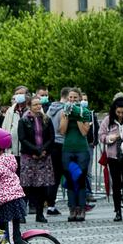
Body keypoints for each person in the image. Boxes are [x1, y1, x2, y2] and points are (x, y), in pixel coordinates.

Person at [17, 96, 55, 223]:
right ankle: (21, 213)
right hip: (29, 157)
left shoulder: (46, 119)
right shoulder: (24, 120)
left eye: (39, 104)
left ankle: (40, 213)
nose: (38, 106)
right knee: (26, 186)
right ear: (29, 106)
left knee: (42, 187)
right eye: (35, 105)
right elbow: (22, 138)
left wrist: (43, 150)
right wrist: (34, 150)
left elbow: (51, 137)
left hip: (44, 156)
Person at [58, 88, 93, 222]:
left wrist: (78, 115)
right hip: (68, 148)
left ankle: (81, 208)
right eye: (70, 98)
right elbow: (62, 131)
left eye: (75, 98)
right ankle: (72, 208)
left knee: (80, 179)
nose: (72, 100)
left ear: (79, 99)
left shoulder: (85, 112)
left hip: (81, 149)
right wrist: (67, 115)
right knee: (70, 180)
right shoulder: (64, 112)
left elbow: (84, 132)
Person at [45, 87, 70, 216]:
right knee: (72, 174)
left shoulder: (50, 109)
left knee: (54, 177)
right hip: (63, 144)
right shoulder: (64, 110)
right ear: (66, 97)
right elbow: (63, 129)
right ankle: (76, 203)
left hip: (52, 145)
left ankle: (51, 205)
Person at [1, 85, 29, 159]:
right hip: (12, 150)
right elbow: (4, 129)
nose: (18, 95)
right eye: (17, 94)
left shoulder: (32, 110)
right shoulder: (10, 110)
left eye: (21, 93)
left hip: (28, 151)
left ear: (27, 95)